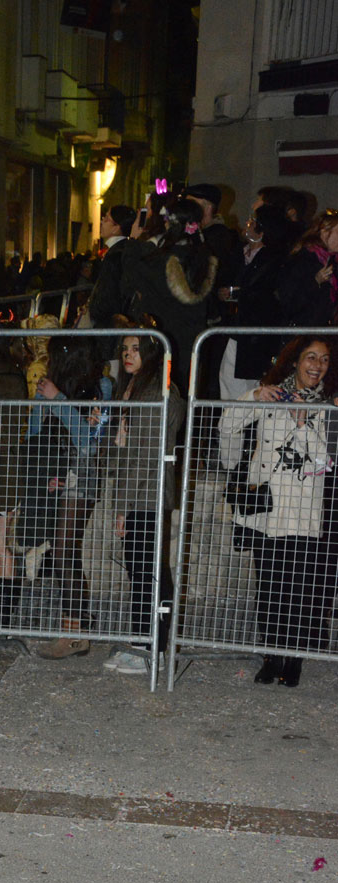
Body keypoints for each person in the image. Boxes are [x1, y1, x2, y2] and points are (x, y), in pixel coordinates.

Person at [218, 336, 336, 687]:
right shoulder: (271, 396)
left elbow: (325, 462)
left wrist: (302, 423)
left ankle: (293, 658)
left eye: (324, 359)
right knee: (268, 587)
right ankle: (270, 655)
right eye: (311, 357)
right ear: (295, 361)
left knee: (298, 589)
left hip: (301, 512)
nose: (317, 365)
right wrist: (254, 396)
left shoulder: (328, 406)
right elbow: (227, 425)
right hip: (265, 512)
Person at [103, 331, 186, 675]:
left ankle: (151, 646)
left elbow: (143, 458)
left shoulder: (155, 391)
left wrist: (122, 507)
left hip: (147, 492)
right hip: (140, 491)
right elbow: (121, 454)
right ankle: (146, 642)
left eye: (136, 348)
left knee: (147, 572)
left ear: (151, 353)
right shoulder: (135, 388)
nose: (128, 354)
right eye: (124, 348)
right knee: (143, 570)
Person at [25, 337, 114, 658]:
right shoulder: (51, 385)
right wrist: (43, 402)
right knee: (62, 549)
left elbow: (90, 441)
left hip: (81, 475)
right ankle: (75, 627)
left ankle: (74, 632)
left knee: (64, 548)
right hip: (55, 474)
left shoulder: (102, 386)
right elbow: (34, 434)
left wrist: (58, 400)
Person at [120, 199, 217, 394]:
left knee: (161, 392)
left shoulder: (161, 261)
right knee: (187, 392)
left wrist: (133, 241)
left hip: (163, 338)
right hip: (193, 340)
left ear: (170, 223)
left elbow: (131, 276)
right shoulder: (205, 259)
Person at [218, 202, 290, 400]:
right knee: (230, 379)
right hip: (236, 327)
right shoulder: (238, 252)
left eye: (253, 221)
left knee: (250, 383)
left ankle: (241, 417)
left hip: (256, 332)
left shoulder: (274, 259)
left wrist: (243, 294)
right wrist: (222, 293)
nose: (247, 224)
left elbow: (268, 293)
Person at [276, 209, 338, 328]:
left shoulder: (333, 261)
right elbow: (289, 302)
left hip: (325, 332)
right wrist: (315, 281)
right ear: (324, 232)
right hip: (304, 331)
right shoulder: (302, 260)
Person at [87, 204, 137, 327]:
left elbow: (109, 290)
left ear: (116, 228)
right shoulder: (123, 250)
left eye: (106, 219)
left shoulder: (115, 255)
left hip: (109, 321)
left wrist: (96, 310)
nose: (101, 222)